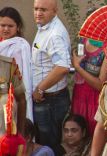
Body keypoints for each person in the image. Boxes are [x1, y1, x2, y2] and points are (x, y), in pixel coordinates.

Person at [32, 0, 71, 150]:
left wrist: (40, 89)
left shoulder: (54, 34)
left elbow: (62, 67)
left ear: (55, 11)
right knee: (45, 143)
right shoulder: (44, 27)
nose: (38, 13)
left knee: (49, 146)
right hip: (47, 99)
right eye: (36, 9)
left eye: (43, 9)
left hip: (49, 100)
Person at [0, 7, 33, 122]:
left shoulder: (19, 46)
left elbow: (19, 77)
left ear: (18, 27)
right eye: (2, 25)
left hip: (12, 96)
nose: (5, 29)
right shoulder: (2, 44)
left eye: (10, 26)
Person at [71, 38, 107, 137]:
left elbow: (100, 85)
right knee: (77, 131)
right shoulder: (82, 40)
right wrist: (74, 60)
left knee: (94, 133)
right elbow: (76, 63)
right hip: (79, 93)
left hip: (95, 98)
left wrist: (78, 67)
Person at [0, 55, 26, 140]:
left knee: (6, 99)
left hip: (4, 133)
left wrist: (21, 135)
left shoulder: (9, 66)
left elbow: (21, 100)